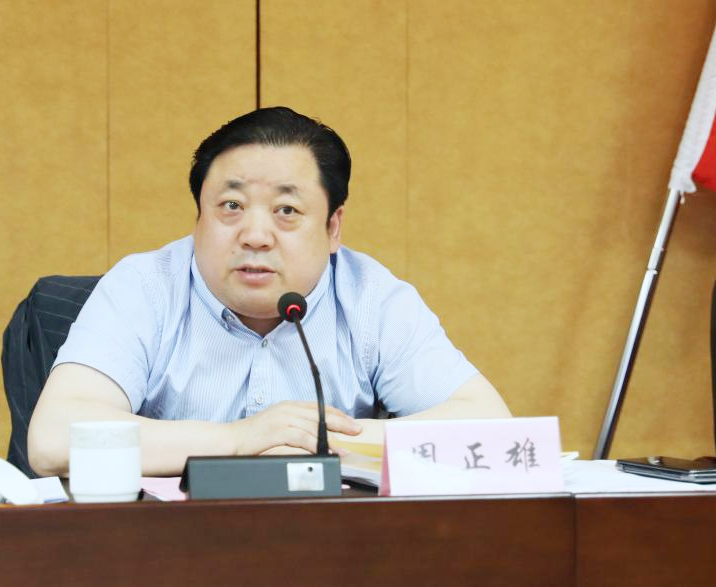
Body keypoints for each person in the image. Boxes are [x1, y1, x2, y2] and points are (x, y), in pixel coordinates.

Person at [27, 107, 510, 477]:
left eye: (287, 211)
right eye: (231, 206)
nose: (255, 236)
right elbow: (53, 438)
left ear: (333, 227)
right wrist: (239, 441)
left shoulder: (371, 299)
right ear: (198, 217)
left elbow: (490, 427)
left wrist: (321, 441)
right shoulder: (144, 287)